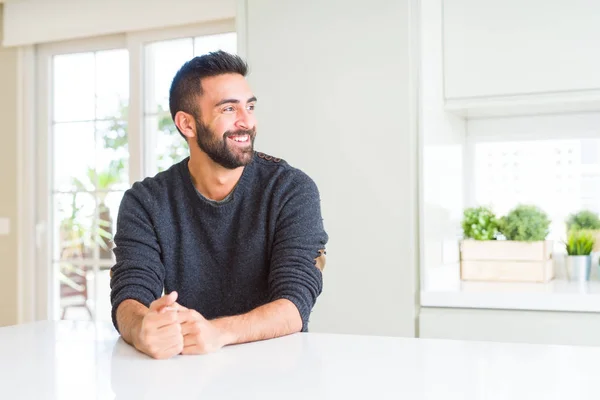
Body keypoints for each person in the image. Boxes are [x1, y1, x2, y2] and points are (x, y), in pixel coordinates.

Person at [109, 50, 328, 360]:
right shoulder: (146, 201)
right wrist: (142, 327)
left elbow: (296, 302)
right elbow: (129, 295)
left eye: (249, 106)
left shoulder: (291, 190)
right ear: (187, 124)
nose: (247, 121)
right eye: (229, 108)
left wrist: (218, 333)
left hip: (279, 371)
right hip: (188, 372)